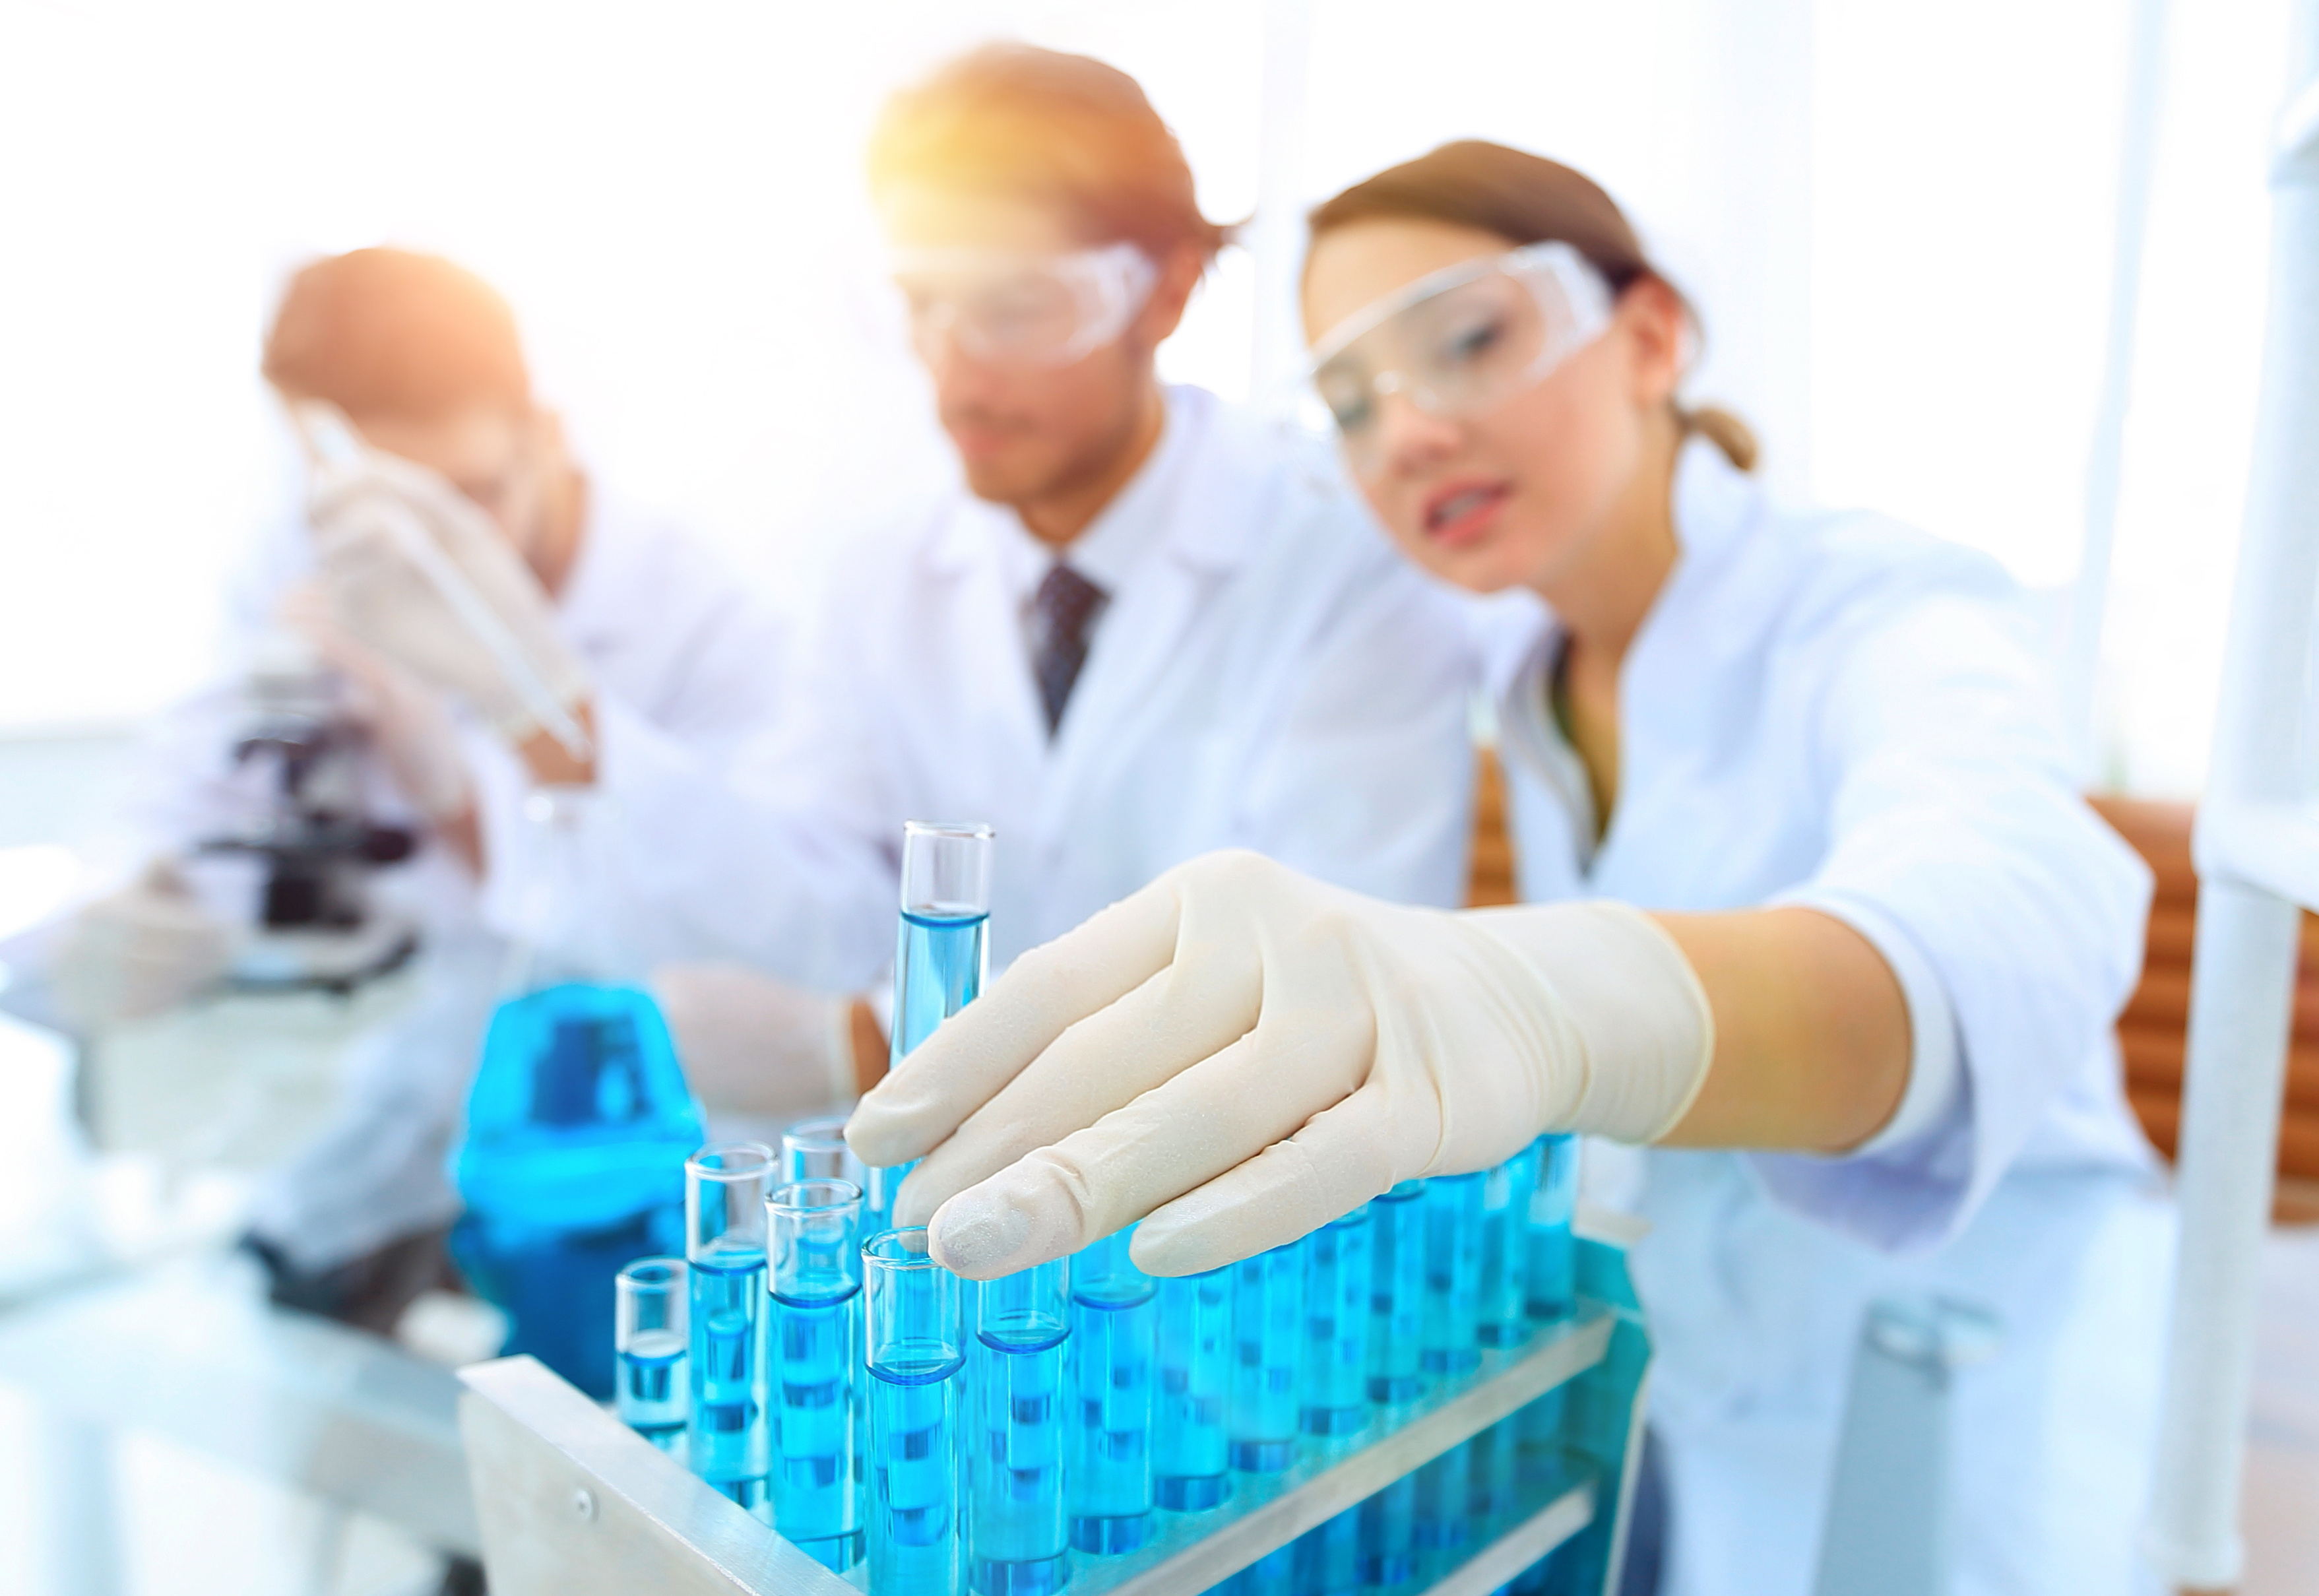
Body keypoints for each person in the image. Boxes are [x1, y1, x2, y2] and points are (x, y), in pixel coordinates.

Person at [847, 143, 2163, 1596]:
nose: (1404, 433)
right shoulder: (1520, 665)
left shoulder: (1878, 610)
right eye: (1348, 405)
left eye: (1468, 340)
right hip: (1703, 1403)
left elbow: (2010, 901)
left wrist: (1572, 1008)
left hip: (1981, 1387)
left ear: (1652, 336)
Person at [321, 47, 1478, 1004]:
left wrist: (879, 1053)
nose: (957, 375)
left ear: (1168, 294)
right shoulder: (881, 571)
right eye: (922, 308)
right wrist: (545, 707)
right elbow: (808, 909)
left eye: (1019, 309)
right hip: (952, 1239)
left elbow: (1336, 981)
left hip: (1233, 1249)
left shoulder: (1340, 560)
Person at [0, 248, 837, 1325]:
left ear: (546, 434)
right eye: (382, 507)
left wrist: (460, 768)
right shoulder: (298, 560)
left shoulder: (704, 610)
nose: (432, 552)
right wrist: (125, 917)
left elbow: (753, 929)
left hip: (634, 1189)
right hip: (358, 1176)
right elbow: (184, 792)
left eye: (470, 498)